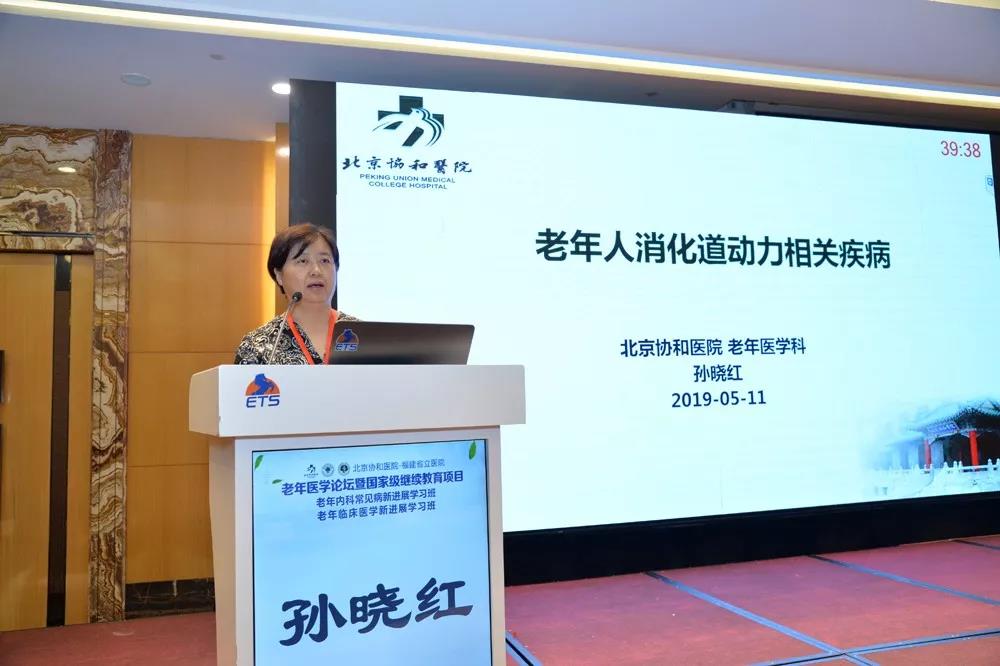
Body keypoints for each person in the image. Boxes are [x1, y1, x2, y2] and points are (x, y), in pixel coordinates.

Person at [235, 223, 358, 364]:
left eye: (325, 260)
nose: (316, 271)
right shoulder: (258, 346)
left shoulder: (364, 335)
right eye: (303, 261)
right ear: (279, 275)